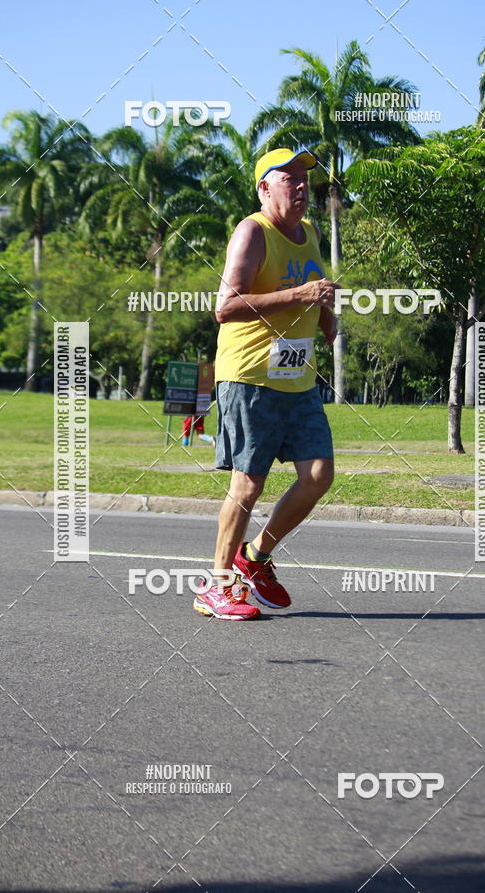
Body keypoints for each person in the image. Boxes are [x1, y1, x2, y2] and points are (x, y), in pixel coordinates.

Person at [193, 148, 339, 621]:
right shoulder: (252, 232)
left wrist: (324, 313)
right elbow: (226, 306)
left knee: (318, 475)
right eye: (289, 178)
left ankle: (253, 558)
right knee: (248, 483)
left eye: (304, 179)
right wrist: (300, 295)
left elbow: (313, 283)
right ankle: (216, 585)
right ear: (264, 187)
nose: (301, 186)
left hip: (296, 378)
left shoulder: (310, 233)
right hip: (250, 375)